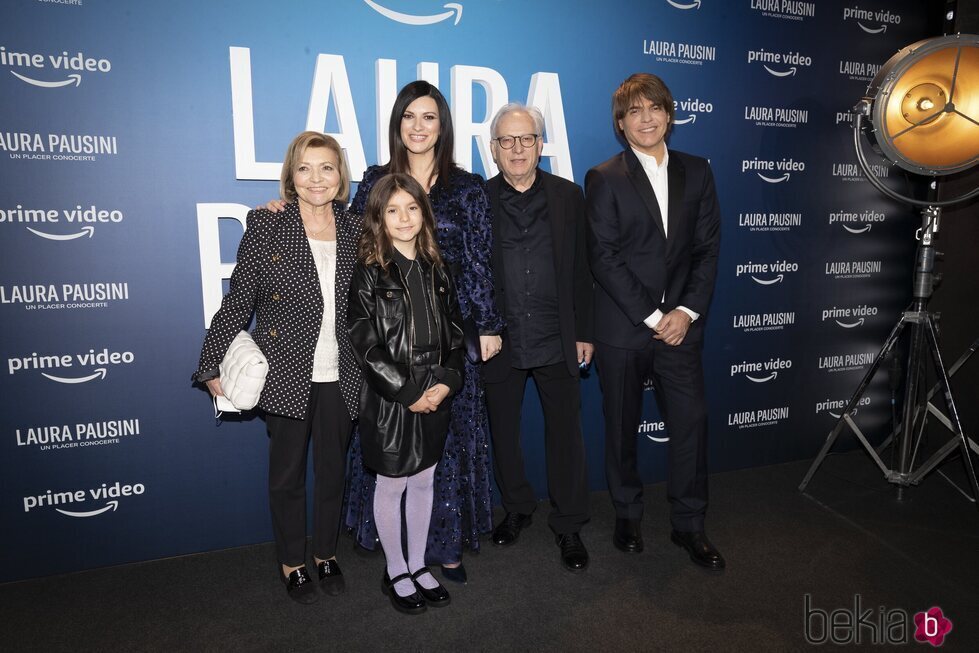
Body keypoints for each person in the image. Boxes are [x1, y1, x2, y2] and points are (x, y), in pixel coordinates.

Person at [193, 131, 363, 603]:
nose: (316, 178)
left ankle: (326, 553)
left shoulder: (356, 230)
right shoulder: (268, 225)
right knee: (287, 477)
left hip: (343, 374)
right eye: (305, 168)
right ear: (290, 174)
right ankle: (292, 561)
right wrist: (210, 363)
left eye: (326, 167)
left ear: (339, 175)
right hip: (288, 373)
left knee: (333, 473)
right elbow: (239, 301)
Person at [585, 73, 724, 570]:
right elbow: (603, 257)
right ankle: (627, 514)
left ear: (669, 114)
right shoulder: (604, 177)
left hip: (681, 328)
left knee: (691, 425)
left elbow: (707, 250)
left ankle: (690, 524)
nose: (646, 119)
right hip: (625, 327)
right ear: (621, 124)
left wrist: (684, 312)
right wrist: (653, 316)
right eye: (634, 112)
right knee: (621, 427)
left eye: (655, 109)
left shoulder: (699, 171)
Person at [482, 103, 593, 572]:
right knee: (503, 435)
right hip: (499, 339)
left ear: (541, 145)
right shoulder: (477, 200)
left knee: (565, 435)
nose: (517, 149)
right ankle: (518, 508)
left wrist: (584, 331)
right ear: (493, 149)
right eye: (506, 141)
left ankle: (568, 523)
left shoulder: (570, 197)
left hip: (557, 334)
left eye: (526, 139)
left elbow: (584, 269)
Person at [348, 173, 464, 614]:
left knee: (424, 480)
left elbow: (455, 331)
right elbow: (365, 341)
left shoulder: (438, 267)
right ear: (379, 217)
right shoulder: (369, 271)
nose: (403, 217)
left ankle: (418, 564)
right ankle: (395, 568)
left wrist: (447, 382)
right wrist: (406, 390)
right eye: (392, 210)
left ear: (424, 213)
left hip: (436, 392)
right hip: (391, 398)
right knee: (392, 481)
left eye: (412, 208)